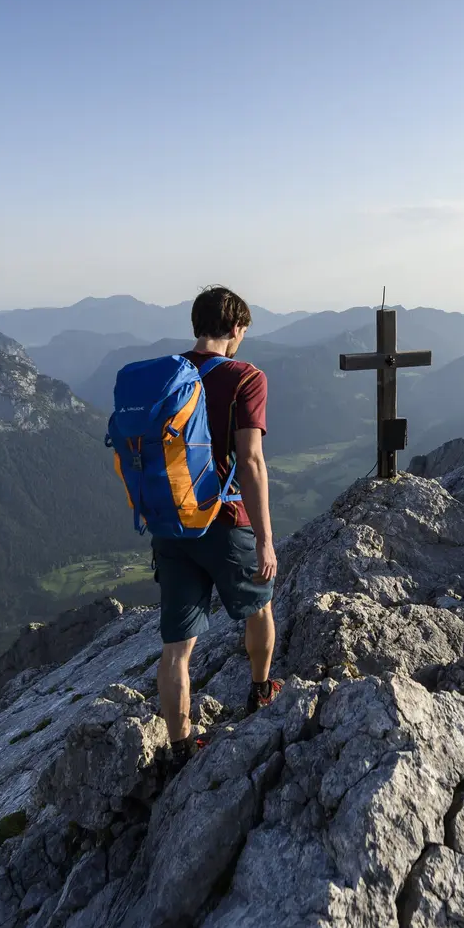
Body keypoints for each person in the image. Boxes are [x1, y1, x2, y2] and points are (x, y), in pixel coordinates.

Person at [155, 286, 281, 764]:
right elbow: (250, 461)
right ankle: (260, 691)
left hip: (172, 524)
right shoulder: (245, 377)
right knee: (259, 608)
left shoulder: (169, 375)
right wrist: (266, 539)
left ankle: (180, 747)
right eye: (243, 329)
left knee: (176, 648)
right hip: (225, 522)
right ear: (235, 329)